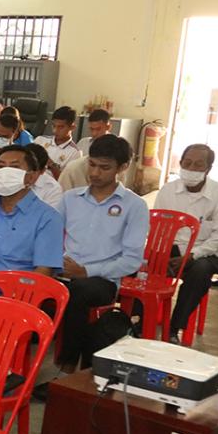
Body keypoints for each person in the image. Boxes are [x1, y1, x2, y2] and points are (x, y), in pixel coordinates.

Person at [58, 135, 151, 372]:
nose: (95, 173)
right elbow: (50, 238)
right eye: (92, 164)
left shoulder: (134, 206)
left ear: (122, 167)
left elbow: (131, 260)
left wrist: (86, 271)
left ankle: (67, 366)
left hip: (102, 280)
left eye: (104, 167)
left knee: (77, 293)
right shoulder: (70, 199)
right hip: (64, 272)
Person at [153, 144, 218, 338]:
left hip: (204, 253)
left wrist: (191, 256)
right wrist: (161, 253)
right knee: (142, 265)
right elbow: (157, 227)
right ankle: (140, 321)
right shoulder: (167, 191)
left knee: (200, 273)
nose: (191, 168)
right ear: (180, 163)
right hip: (171, 249)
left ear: (208, 168)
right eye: (187, 163)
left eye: (198, 165)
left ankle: (174, 328)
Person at [0, 146, 64, 281]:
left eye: (14, 167)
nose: (6, 172)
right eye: (1, 167)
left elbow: (43, 271)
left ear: (31, 177)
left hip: (17, 291)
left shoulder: (48, 218)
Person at [23, 142, 63, 209]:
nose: (26, 175)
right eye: (23, 170)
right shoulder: (8, 175)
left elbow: (50, 214)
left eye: (31, 172)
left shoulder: (53, 189)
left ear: (43, 171)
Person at [44, 105, 80, 176]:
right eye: (54, 126)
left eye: (60, 127)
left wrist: (51, 164)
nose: (55, 131)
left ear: (72, 127)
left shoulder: (75, 153)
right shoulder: (40, 140)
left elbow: (66, 180)